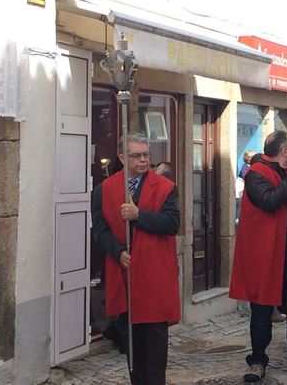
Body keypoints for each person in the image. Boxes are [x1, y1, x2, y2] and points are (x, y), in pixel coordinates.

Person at [91, 133, 180, 385]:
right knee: (132, 345)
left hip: (154, 276)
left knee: (154, 346)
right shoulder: (104, 189)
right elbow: (99, 230)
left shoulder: (165, 187)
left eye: (146, 155)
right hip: (125, 275)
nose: (143, 161)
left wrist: (139, 214)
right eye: (136, 156)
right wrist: (118, 251)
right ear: (122, 157)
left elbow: (172, 223)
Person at [229, 131, 287, 382]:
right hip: (268, 256)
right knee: (262, 311)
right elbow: (269, 201)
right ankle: (257, 360)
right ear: (285, 151)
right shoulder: (256, 174)